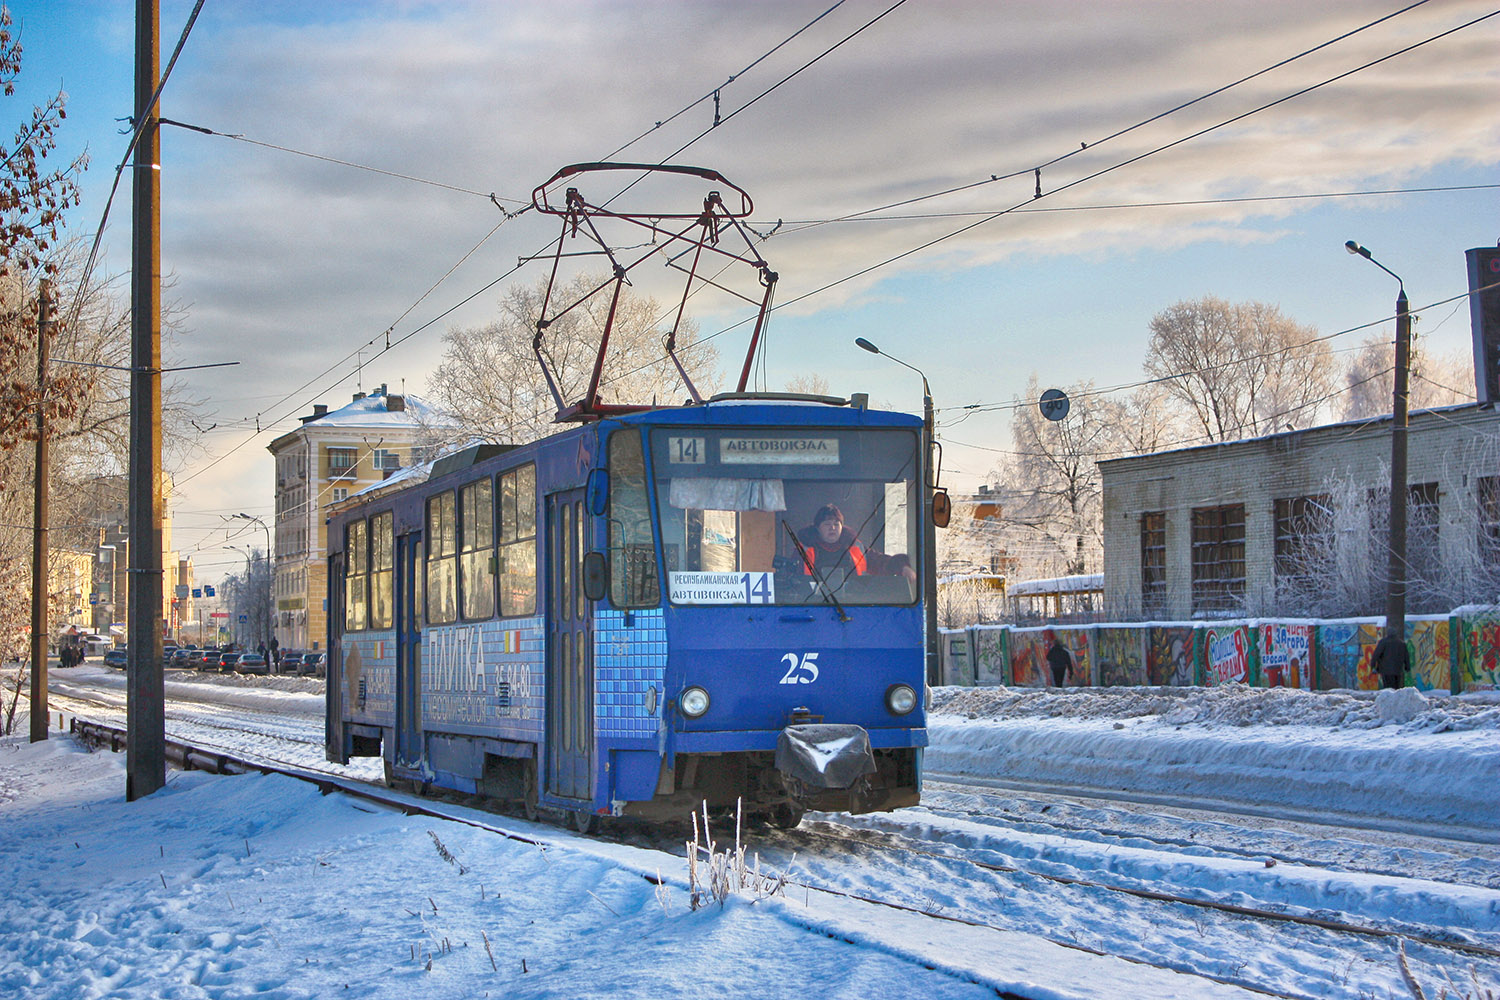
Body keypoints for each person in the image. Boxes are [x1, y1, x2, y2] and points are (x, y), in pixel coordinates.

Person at [795, 504, 916, 584]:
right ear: (817, 528)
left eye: (836, 524)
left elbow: (881, 562)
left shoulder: (856, 547)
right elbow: (791, 578)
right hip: (813, 605)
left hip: (853, 605)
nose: (832, 528)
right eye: (827, 524)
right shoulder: (803, 551)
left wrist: (902, 567)